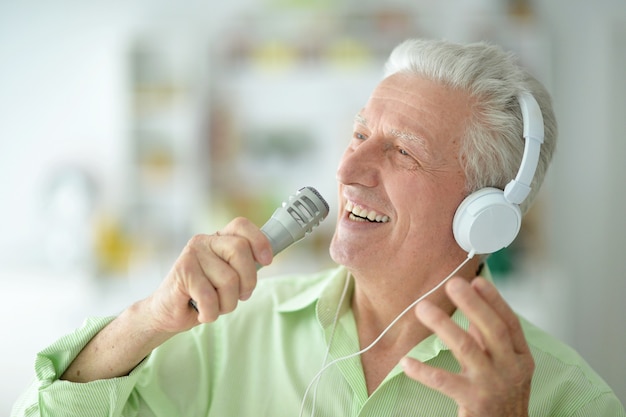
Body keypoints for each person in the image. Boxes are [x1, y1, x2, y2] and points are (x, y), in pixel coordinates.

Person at [12, 38, 625, 417]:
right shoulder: (230, 325)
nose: (348, 168)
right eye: (359, 135)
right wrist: (149, 318)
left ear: (484, 214)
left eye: (401, 151)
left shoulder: (569, 398)